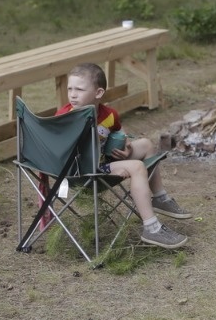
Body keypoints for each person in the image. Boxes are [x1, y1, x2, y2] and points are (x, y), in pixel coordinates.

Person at [56, 62, 191, 249]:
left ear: (98, 93)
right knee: (137, 167)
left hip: (103, 160)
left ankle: (160, 197)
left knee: (145, 144)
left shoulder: (109, 114)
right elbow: (58, 148)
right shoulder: (65, 116)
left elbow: (120, 134)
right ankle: (151, 228)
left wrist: (126, 148)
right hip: (83, 171)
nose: (72, 94)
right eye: (70, 88)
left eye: (79, 89)